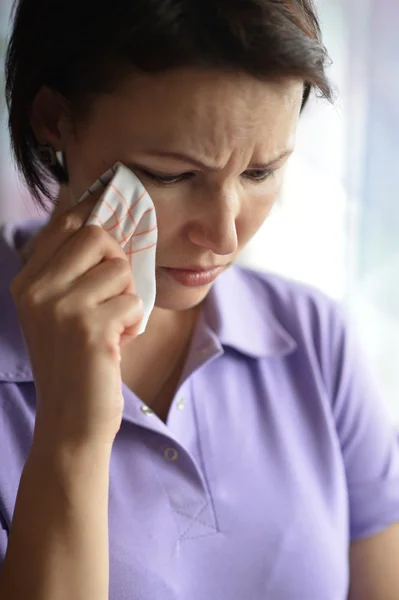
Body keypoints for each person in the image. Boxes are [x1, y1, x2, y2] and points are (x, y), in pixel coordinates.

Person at [0, 1, 398, 599]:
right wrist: (70, 434)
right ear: (55, 119)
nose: (225, 236)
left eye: (261, 173)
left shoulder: (313, 338)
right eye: (173, 175)